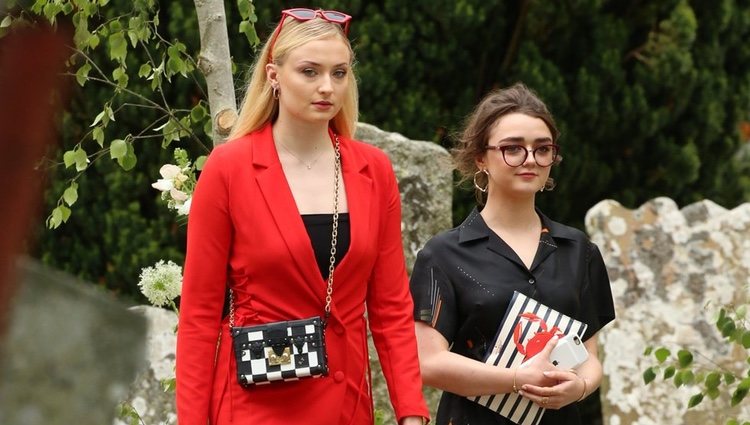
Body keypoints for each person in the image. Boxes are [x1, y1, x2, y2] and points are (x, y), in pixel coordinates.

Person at [176, 8, 429, 425]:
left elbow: (390, 309)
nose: (327, 87)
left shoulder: (374, 170)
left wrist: (412, 413)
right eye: (309, 72)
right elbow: (199, 317)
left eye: (339, 73)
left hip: (346, 404)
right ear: (274, 76)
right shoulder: (229, 169)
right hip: (256, 406)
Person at [409, 83, 615, 425]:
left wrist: (578, 387)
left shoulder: (579, 250)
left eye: (542, 148)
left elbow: (590, 358)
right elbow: (427, 363)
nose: (530, 159)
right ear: (480, 158)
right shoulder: (442, 254)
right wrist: (517, 379)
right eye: (512, 148)